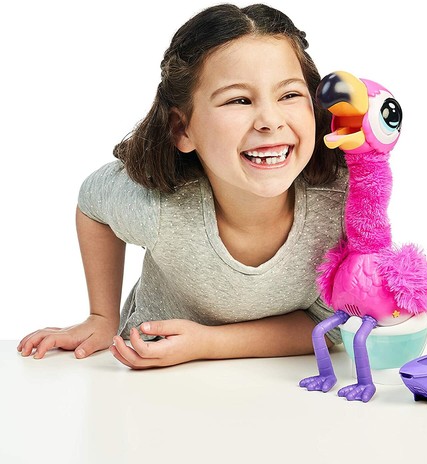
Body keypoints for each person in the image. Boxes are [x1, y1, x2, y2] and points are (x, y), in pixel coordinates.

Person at [17, 3, 348, 369]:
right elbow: (93, 201)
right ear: (182, 129)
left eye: (289, 95)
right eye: (239, 100)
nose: (270, 120)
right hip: (151, 378)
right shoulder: (159, 208)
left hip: (278, 383)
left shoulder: (341, 207)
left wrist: (207, 343)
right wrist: (101, 316)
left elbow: (330, 327)